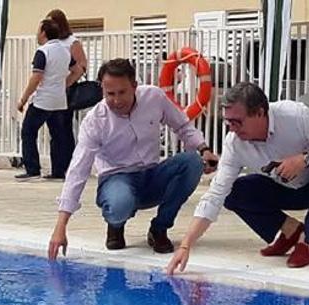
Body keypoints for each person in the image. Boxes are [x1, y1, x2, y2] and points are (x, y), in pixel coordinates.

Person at [167, 82, 309, 273]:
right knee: (234, 192)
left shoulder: (294, 115)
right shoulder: (234, 143)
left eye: (237, 122)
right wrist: (186, 245)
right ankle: (291, 231)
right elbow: (215, 195)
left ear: (260, 112)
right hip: (283, 189)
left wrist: (305, 159)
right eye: (228, 122)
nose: (232, 129)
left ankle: (307, 241)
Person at [46, 58, 219, 260]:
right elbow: (78, 169)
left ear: (134, 86)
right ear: (102, 89)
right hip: (116, 179)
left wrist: (203, 148)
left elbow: (182, 126)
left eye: (122, 92)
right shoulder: (94, 121)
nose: (117, 100)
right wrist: (61, 226)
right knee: (120, 203)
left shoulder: (154, 97)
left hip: (152, 175)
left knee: (192, 162)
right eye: (110, 94)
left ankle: (159, 228)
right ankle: (116, 225)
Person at [15, 19, 81, 181]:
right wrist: (63, 84)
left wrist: (23, 99)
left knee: (28, 132)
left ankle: (32, 169)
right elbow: (77, 71)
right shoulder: (65, 51)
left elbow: (36, 77)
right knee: (58, 135)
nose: (37, 34)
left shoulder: (43, 51)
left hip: (43, 99)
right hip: (59, 100)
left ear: (44, 32)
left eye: (38, 30)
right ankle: (59, 171)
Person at [45, 9, 88, 179]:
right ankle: (57, 168)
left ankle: (67, 166)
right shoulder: (49, 44)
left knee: (64, 128)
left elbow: (81, 66)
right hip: (52, 89)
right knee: (54, 129)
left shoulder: (72, 42)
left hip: (66, 89)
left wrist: (65, 84)